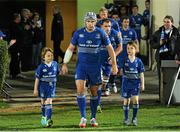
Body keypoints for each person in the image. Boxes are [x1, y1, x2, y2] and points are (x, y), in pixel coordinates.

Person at [61, 12, 118, 128]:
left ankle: (93, 117)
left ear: (95, 22)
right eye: (88, 21)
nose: (90, 24)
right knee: (80, 90)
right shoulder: (78, 33)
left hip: (95, 67)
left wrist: (114, 64)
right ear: (85, 22)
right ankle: (83, 117)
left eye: (92, 21)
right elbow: (70, 48)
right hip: (81, 66)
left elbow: (110, 48)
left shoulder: (100, 32)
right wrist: (64, 63)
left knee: (94, 92)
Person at [150, 15, 179, 98]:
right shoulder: (158, 32)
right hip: (161, 56)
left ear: (172, 23)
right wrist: (160, 43)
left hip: (172, 56)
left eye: (168, 22)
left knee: (171, 77)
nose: (166, 24)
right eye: (165, 22)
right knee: (161, 77)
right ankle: (162, 97)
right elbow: (152, 44)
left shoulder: (176, 32)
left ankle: (172, 97)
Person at [97, 18, 122, 112]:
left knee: (104, 84)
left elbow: (120, 47)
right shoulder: (97, 33)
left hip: (108, 63)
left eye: (109, 26)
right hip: (98, 62)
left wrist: (113, 56)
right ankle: (97, 104)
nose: (108, 28)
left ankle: (98, 96)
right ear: (101, 27)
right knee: (98, 83)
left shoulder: (115, 34)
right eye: (106, 26)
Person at [33, 47, 60, 127]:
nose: (50, 57)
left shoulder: (55, 64)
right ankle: (44, 116)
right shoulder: (41, 67)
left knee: (49, 101)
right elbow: (37, 79)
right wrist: (35, 89)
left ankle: (48, 119)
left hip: (51, 87)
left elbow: (58, 73)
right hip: (43, 87)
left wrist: (62, 71)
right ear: (43, 57)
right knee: (43, 102)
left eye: (51, 55)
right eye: (48, 56)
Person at [120, 41, 145, 126]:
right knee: (126, 101)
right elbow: (120, 71)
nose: (129, 50)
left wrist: (142, 84)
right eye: (128, 48)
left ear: (136, 50)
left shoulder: (138, 61)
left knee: (135, 100)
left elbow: (141, 73)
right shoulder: (124, 60)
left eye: (131, 48)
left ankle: (134, 118)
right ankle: (126, 118)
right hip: (126, 83)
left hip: (135, 83)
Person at [8, 13, 22, 79]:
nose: (20, 18)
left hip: (17, 44)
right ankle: (12, 73)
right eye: (19, 17)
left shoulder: (18, 25)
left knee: (17, 59)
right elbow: (14, 36)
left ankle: (16, 73)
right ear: (16, 18)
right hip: (14, 45)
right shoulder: (12, 25)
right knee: (14, 59)